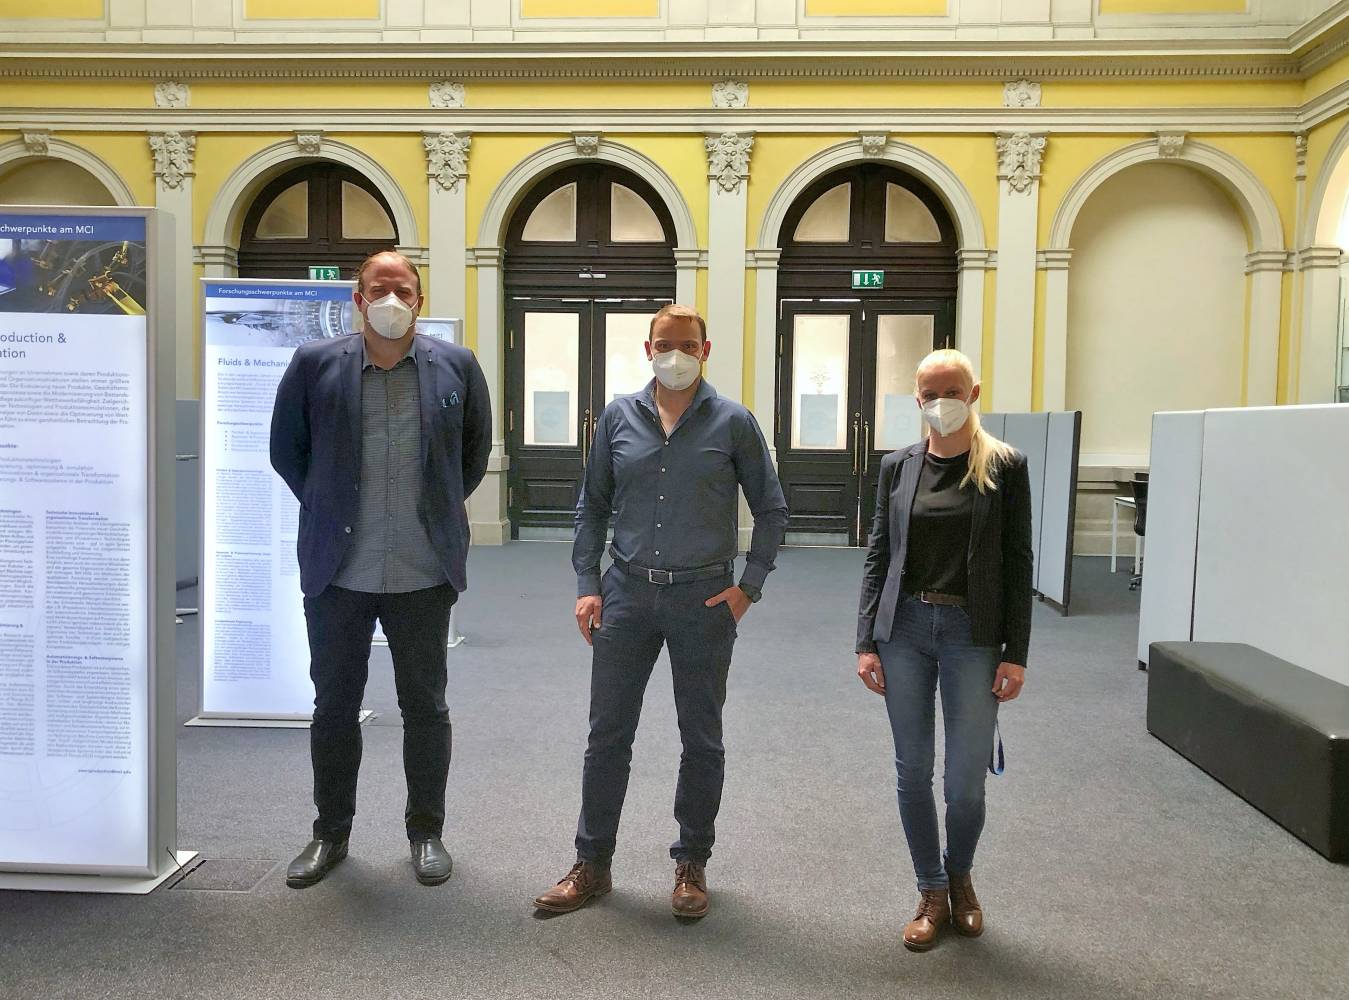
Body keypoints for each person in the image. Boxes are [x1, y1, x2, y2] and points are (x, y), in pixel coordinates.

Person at [533, 304, 788, 919]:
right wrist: (587, 583)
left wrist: (748, 587)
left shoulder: (733, 422)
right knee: (607, 734)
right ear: (648, 348)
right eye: (664, 344)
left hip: (703, 600)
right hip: (626, 595)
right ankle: (592, 865)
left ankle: (691, 863)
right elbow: (592, 508)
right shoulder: (619, 417)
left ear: (706, 350)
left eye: (687, 344)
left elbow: (772, 509)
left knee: (701, 738)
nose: (674, 354)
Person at [270, 250, 491, 889]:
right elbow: (288, 451)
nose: (391, 298)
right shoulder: (315, 365)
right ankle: (329, 834)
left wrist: (433, 512)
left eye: (404, 288)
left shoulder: (457, 366)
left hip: (423, 571)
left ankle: (426, 832)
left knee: (425, 706)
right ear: (358, 299)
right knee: (334, 706)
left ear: (418, 299)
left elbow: (470, 457)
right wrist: (331, 504)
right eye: (378, 287)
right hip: (339, 571)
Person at [855, 348, 1032, 951]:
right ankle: (930, 888)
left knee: (965, 784)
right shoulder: (897, 467)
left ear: (974, 392)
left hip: (971, 636)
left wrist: (1017, 653)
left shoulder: (1005, 466)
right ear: (918, 398)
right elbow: (879, 553)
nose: (941, 403)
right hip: (901, 631)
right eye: (929, 393)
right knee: (912, 771)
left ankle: (961, 874)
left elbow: (1017, 563)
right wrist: (864, 641)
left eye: (951, 390)